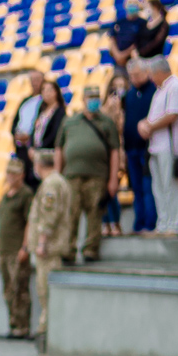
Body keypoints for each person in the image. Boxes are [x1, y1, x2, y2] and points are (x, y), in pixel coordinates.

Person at [54, 86, 120, 263]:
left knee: (95, 213)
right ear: (83, 99)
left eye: (96, 97)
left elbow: (115, 151)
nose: (93, 101)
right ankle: (68, 249)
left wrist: (113, 178)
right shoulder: (70, 121)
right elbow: (59, 148)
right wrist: (57, 175)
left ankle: (91, 249)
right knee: (71, 213)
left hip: (97, 175)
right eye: (90, 97)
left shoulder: (107, 122)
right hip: (72, 175)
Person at [139, 56, 178, 237]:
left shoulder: (176, 87)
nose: (151, 78)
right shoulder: (160, 90)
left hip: (170, 145)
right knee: (159, 187)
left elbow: (172, 115)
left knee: (170, 186)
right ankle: (163, 223)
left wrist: (149, 126)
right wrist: (144, 124)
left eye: (152, 74)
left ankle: (175, 225)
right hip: (156, 145)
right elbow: (155, 116)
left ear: (159, 72)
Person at [27, 149, 74, 345]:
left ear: (39, 165)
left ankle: (46, 333)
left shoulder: (51, 184)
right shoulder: (58, 181)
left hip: (50, 249)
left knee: (46, 293)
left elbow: (48, 215)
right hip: (52, 247)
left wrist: (42, 242)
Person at [0, 158, 34, 339]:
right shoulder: (5, 196)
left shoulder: (26, 195)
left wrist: (25, 247)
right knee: (9, 289)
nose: (11, 177)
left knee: (20, 288)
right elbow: (2, 226)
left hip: (18, 249)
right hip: (6, 250)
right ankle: (14, 324)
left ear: (22, 175)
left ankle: (23, 326)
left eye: (15, 173)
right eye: (9, 173)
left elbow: (29, 223)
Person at [123, 59, 158, 233]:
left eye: (137, 74)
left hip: (147, 148)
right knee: (136, 188)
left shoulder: (154, 92)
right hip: (131, 148)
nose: (135, 78)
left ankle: (150, 223)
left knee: (147, 186)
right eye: (132, 76)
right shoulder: (130, 94)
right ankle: (139, 222)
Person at [101, 74, 129, 236]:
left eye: (121, 86)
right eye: (115, 86)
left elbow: (120, 128)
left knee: (113, 190)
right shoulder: (105, 107)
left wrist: (118, 111)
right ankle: (106, 224)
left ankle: (116, 223)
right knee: (103, 191)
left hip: (118, 153)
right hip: (103, 154)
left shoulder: (126, 107)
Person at [11, 69, 47, 188]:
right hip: (22, 150)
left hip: (35, 150)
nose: (34, 83)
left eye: (37, 80)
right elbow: (14, 123)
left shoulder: (45, 102)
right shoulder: (25, 101)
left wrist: (29, 137)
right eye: (32, 80)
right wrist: (16, 135)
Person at [109, 0, 148, 78]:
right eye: (130, 3)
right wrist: (118, 56)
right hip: (119, 65)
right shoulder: (119, 22)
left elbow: (140, 43)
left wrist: (124, 55)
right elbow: (112, 39)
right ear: (125, 5)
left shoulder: (143, 23)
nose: (132, 5)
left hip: (135, 62)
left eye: (134, 3)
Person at [29, 80, 66, 159]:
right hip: (37, 151)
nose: (46, 93)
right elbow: (35, 128)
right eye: (43, 90)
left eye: (49, 90)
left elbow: (55, 133)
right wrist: (31, 146)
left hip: (49, 152)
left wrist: (41, 147)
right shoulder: (41, 110)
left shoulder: (59, 111)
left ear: (56, 92)